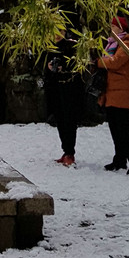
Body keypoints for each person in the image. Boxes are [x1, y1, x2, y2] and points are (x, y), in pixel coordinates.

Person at [97, 15, 129, 174]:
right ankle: (120, 159)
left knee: (124, 130)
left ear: (120, 29)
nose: (111, 29)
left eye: (113, 26)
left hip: (121, 92)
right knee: (115, 128)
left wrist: (98, 62)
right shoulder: (113, 44)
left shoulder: (127, 44)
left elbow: (115, 62)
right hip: (111, 91)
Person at [44, 30, 84, 166]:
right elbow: (42, 69)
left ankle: (70, 152)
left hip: (69, 90)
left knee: (69, 121)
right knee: (60, 119)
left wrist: (63, 68)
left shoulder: (71, 46)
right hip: (54, 89)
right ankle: (65, 150)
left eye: (60, 31)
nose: (57, 34)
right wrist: (49, 68)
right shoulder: (48, 47)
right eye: (54, 31)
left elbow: (78, 67)